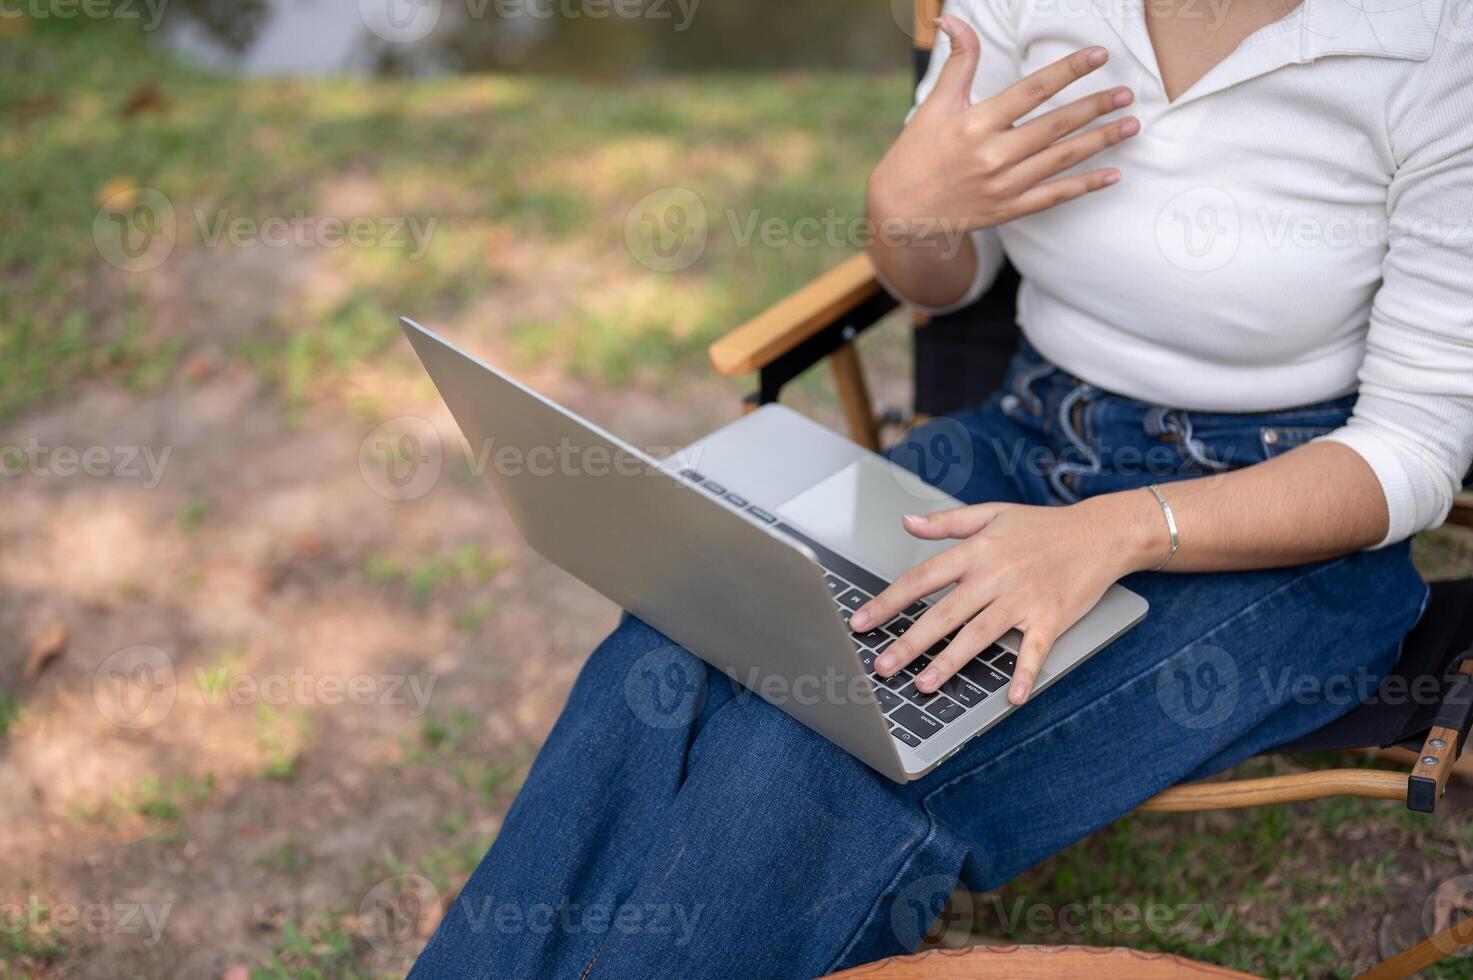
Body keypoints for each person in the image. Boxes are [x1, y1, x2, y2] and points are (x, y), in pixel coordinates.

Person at [410, 0, 1472, 976]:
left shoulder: (1434, 44)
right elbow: (948, 278)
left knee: (811, 759)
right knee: (672, 642)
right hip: (1020, 441)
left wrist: (1111, 532)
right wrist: (906, 210)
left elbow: (1414, 452)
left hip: (1280, 523)